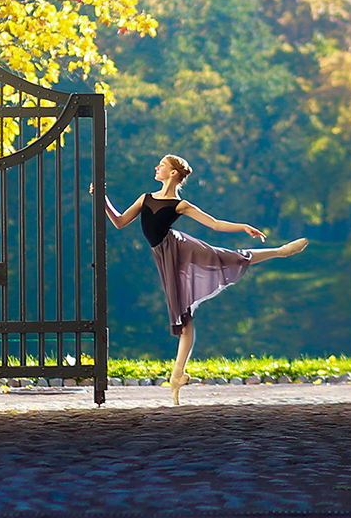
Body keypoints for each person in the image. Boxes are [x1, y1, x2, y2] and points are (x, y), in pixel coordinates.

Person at [94, 153, 308, 405]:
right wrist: (103, 199)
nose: (156, 167)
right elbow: (119, 222)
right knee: (184, 320)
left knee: (226, 258)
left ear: (173, 173)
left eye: (161, 165)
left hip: (179, 248)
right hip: (164, 256)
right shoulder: (146, 198)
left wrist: (243, 226)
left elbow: (215, 224)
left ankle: (279, 252)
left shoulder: (179, 205)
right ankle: (177, 377)